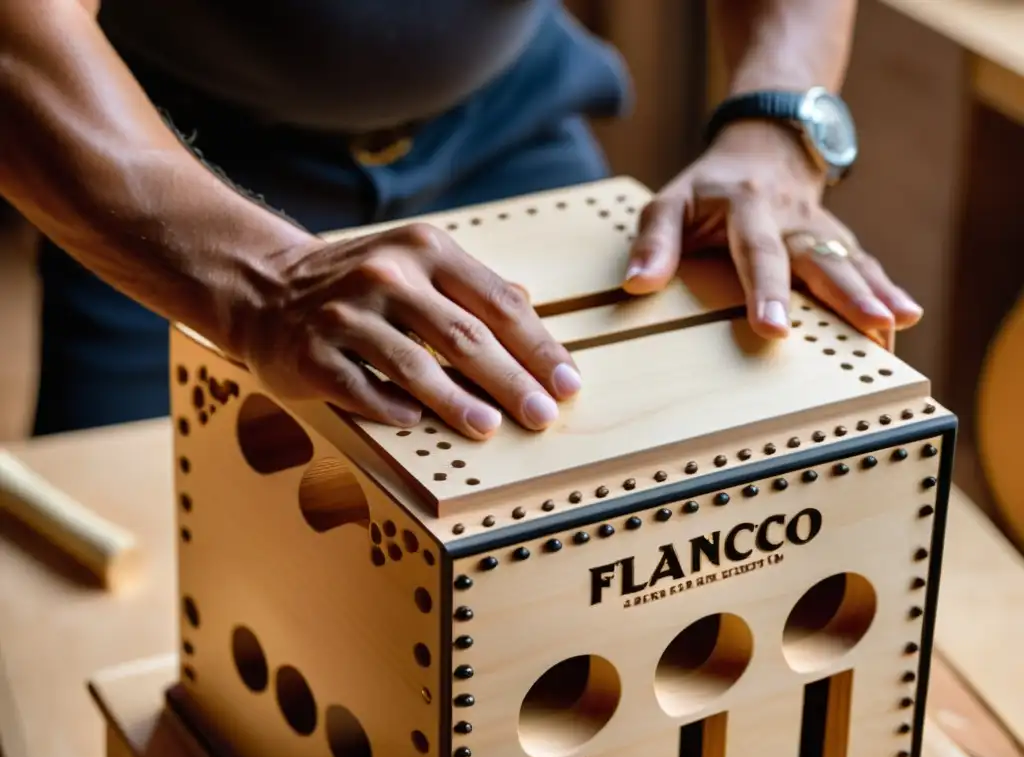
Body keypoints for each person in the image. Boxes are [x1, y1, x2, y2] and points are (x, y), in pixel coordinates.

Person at [0, 0, 923, 441]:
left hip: (507, 124)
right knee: (139, 577)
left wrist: (778, 127)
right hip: (171, 162)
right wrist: (263, 287)